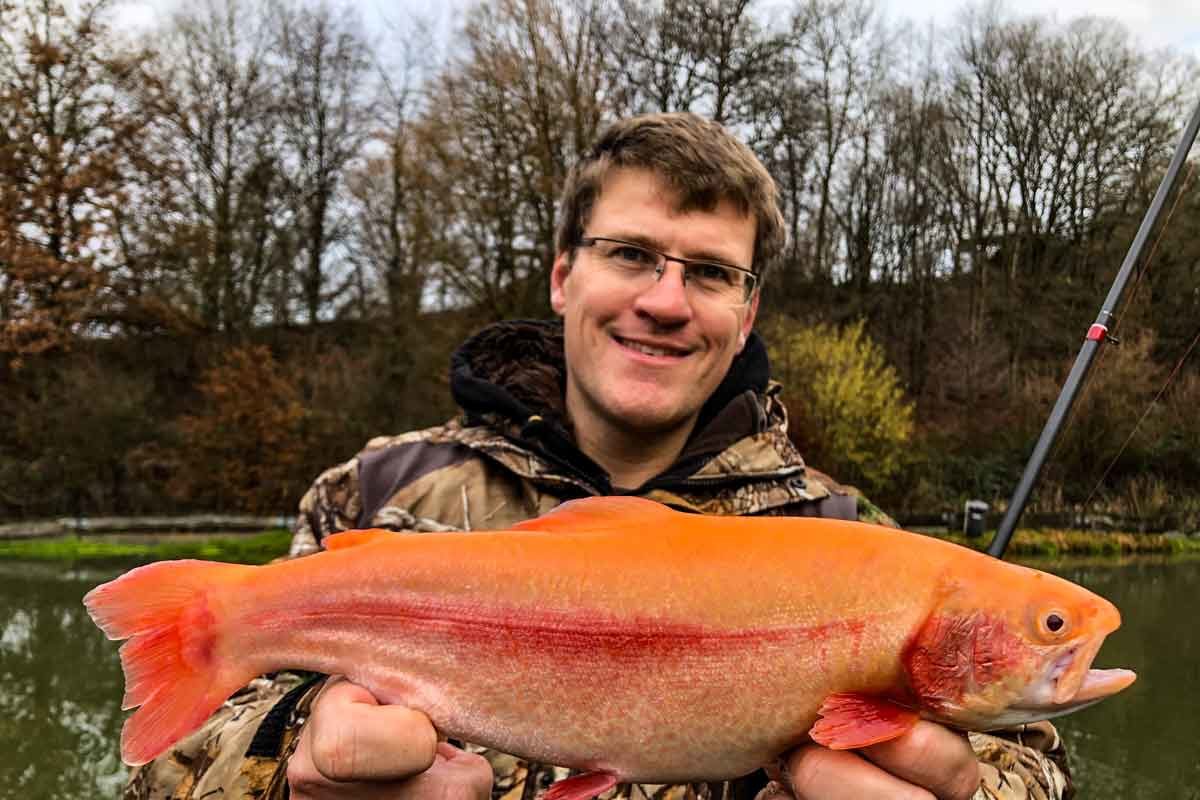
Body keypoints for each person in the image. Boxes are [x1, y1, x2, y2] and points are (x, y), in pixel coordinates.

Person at [125, 113, 1074, 800]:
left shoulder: (849, 539)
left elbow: (1033, 764)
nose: (665, 300)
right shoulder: (375, 496)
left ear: (747, 317)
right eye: (629, 253)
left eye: (710, 272)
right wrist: (290, 770)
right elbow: (163, 773)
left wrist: (974, 797)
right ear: (563, 274)